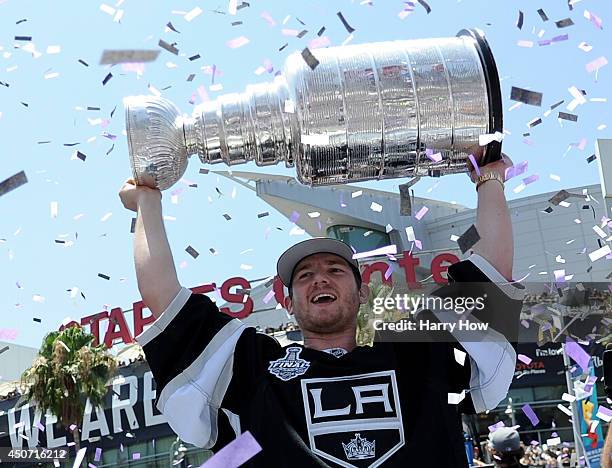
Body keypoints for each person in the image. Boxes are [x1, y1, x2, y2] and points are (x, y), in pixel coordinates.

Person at [119, 153, 525, 467]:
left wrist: (489, 177)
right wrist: (147, 202)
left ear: (362, 292)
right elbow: (164, 300)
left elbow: (489, 277)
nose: (320, 279)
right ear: (287, 301)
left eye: (335, 269)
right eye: (304, 276)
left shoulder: (418, 353)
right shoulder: (252, 368)